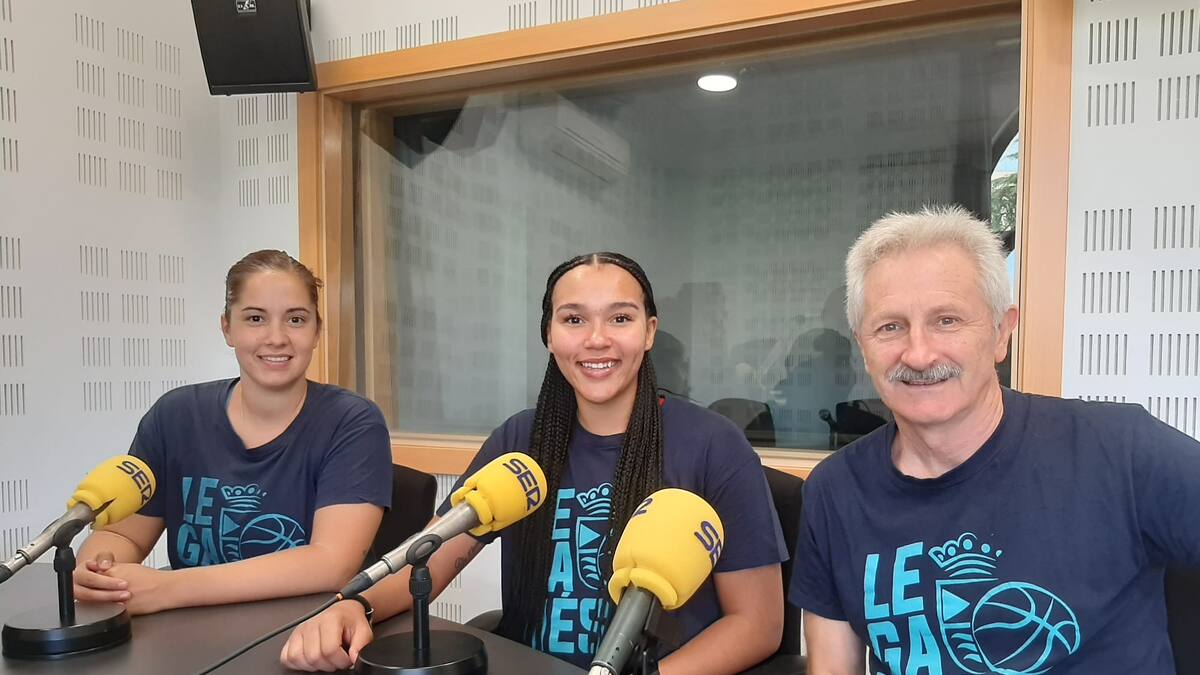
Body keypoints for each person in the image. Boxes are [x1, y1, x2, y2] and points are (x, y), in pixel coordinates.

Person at [280, 252, 788, 673]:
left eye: (620, 317)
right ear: (549, 333)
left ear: (650, 331)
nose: (597, 339)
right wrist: (354, 606)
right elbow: (432, 557)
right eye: (573, 319)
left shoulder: (712, 445)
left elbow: (758, 623)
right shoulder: (521, 439)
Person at [791, 207, 1200, 674]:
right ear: (862, 345)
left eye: (947, 320)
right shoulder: (834, 492)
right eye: (891, 327)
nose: (919, 354)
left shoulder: (1121, 450)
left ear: (1002, 332)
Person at [72, 250, 393, 615]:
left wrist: (169, 588)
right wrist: (100, 570)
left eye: (296, 319)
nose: (276, 338)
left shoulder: (351, 422)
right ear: (227, 328)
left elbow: (332, 564)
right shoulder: (175, 416)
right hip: (189, 637)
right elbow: (122, 534)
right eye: (255, 318)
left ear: (317, 331)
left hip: (303, 638)